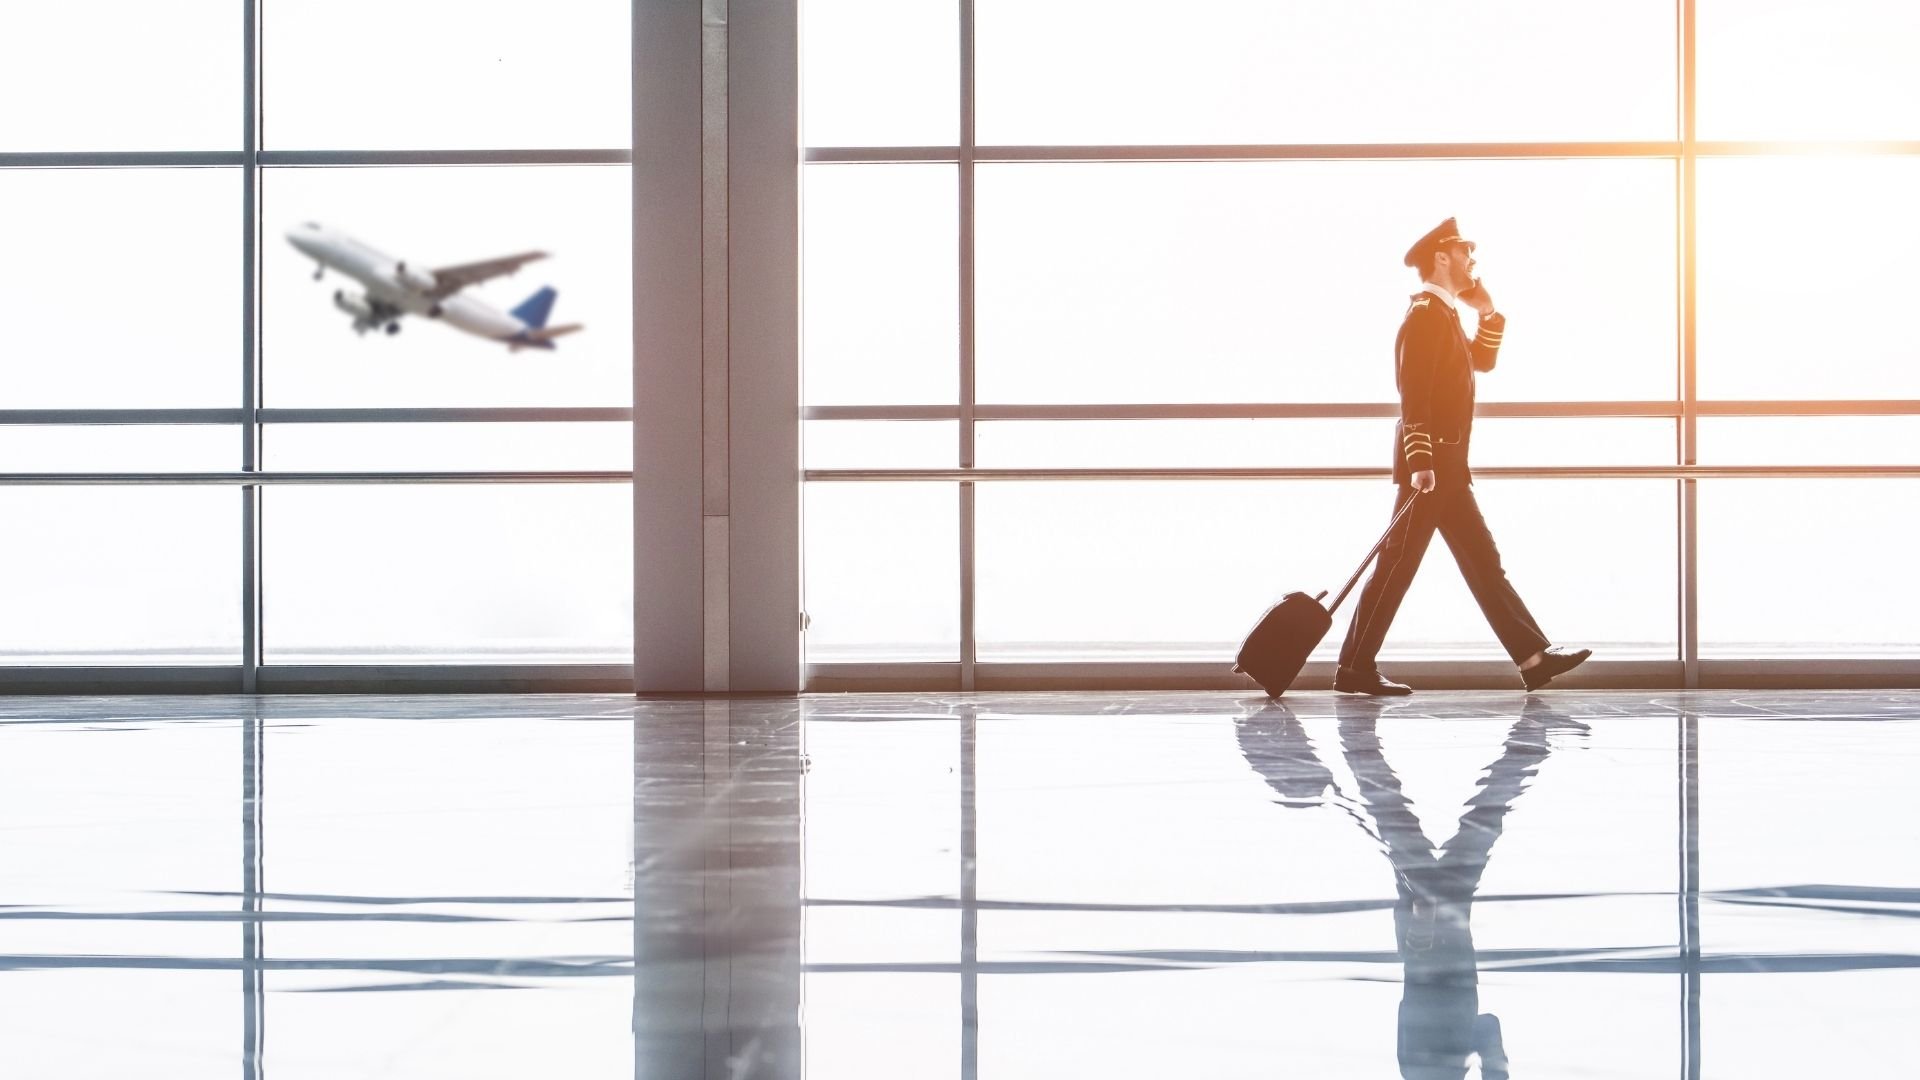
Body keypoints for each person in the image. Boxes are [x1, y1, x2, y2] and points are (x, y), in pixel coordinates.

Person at [1333, 218, 1591, 696]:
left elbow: (1482, 361)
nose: (1473, 259)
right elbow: (1413, 394)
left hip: (1447, 468)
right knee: (1398, 566)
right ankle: (1353, 668)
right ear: (1441, 257)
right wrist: (1421, 463)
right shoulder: (1424, 315)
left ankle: (1533, 659)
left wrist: (1488, 312)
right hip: (1433, 470)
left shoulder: (1444, 313)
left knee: (1480, 561)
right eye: (1464, 250)